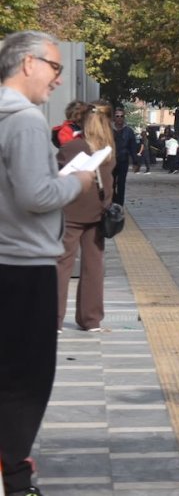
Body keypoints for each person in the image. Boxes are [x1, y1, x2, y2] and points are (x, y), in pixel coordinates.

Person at [0, 30, 93, 496]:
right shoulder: (25, 121)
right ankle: (15, 474)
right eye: (54, 68)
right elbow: (36, 195)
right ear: (28, 64)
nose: (57, 79)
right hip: (24, 263)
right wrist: (78, 181)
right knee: (27, 378)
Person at [56, 101, 115, 332]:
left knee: (62, 265)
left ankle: (54, 318)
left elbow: (55, 175)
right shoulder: (109, 150)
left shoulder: (71, 147)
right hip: (98, 212)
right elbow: (111, 182)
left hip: (69, 211)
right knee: (94, 265)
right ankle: (90, 319)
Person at [111, 106, 138, 205]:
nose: (119, 118)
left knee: (121, 184)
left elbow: (133, 147)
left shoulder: (128, 131)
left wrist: (135, 162)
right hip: (111, 161)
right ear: (114, 117)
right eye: (117, 116)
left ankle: (120, 205)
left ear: (124, 117)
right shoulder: (109, 130)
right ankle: (113, 203)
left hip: (123, 160)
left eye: (121, 116)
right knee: (111, 184)